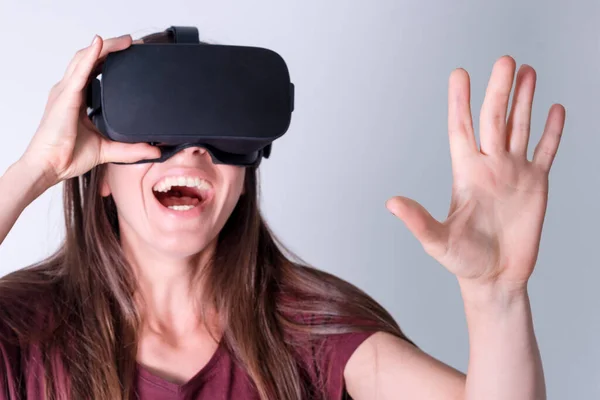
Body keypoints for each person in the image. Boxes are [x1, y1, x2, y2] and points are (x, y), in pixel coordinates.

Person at [0, 29, 565, 400]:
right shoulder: (24, 332)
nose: (193, 151)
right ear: (100, 175)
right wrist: (34, 170)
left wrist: (497, 297)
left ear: (246, 175)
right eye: (157, 131)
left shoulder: (310, 333)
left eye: (223, 134)